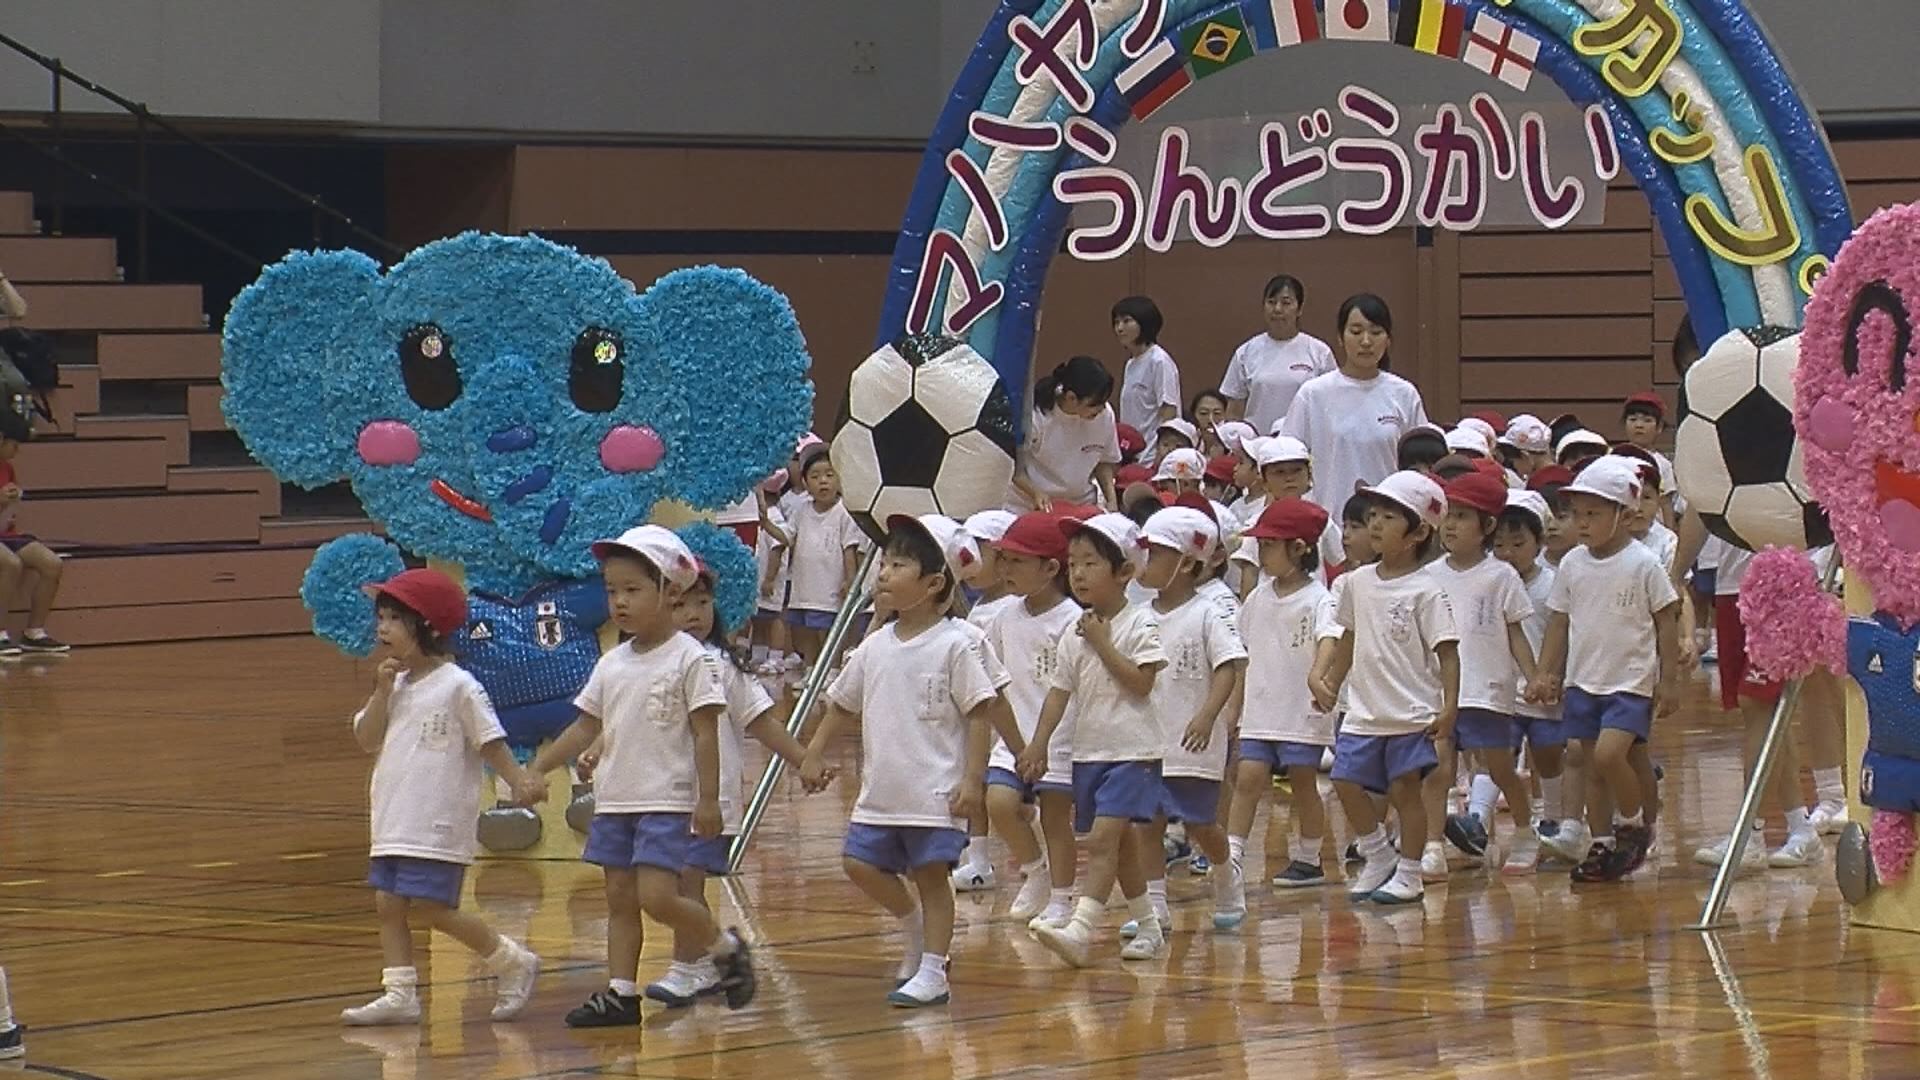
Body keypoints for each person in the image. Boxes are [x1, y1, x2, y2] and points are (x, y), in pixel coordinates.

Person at [532, 526, 757, 1026]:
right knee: (619, 899)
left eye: (632, 589)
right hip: (616, 800)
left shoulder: (691, 659)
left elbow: (705, 734)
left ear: (670, 591)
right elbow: (586, 724)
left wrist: (708, 801)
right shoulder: (612, 664)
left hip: (667, 802)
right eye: (612, 591)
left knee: (658, 897)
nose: (619, 602)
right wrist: (538, 766)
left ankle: (724, 948)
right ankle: (620, 993)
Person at [798, 514, 1017, 1007]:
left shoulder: (956, 644)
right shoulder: (874, 645)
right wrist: (812, 753)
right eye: (883, 562)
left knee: (932, 877)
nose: (882, 573)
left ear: (934, 582)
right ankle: (912, 925)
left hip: (934, 790)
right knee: (858, 863)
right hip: (881, 790)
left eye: (898, 564)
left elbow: (981, 712)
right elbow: (840, 703)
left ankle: (935, 971)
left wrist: (973, 779)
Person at [342, 569, 544, 1026]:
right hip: (394, 816)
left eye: (395, 619)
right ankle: (400, 992)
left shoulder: (459, 685)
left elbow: (489, 739)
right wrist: (378, 692)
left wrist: (518, 780)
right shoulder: (393, 685)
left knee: (434, 908)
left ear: (429, 626)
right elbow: (366, 738)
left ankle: (511, 960)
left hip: (436, 819)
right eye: (382, 618)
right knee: (388, 904)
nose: (382, 628)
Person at [640, 559, 816, 1006]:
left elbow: (761, 722)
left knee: (688, 881)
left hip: (707, 800)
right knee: (675, 885)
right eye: (681, 604)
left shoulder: (721, 666)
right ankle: (714, 954)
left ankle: (688, 967)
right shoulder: (643, 664)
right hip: (658, 795)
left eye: (703, 602)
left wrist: (802, 759)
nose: (694, 613)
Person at [1018, 513, 1168, 966]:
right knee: (1117, 850)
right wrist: (1038, 744)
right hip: (1090, 753)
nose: (1077, 573)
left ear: (1124, 572)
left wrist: (1103, 643)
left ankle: (1081, 930)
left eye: (1090, 563)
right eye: (1072, 563)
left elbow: (1141, 684)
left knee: (1103, 840)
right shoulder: (1073, 631)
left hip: (1133, 752)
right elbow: (1058, 695)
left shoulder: (1142, 624)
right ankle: (1149, 927)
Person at [1529, 456, 1682, 883]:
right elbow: (1558, 622)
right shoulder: (1573, 565)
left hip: (1629, 683)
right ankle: (1601, 842)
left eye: (1593, 513)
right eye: (1577, 514)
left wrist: (1667, 681)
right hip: (1583, 682)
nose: (1582, 522)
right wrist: (1545, 673)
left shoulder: (1643, 563)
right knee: (1602, 766)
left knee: (1610, 754)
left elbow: (1666, 619)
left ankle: (1633, 826)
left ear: (1625, 514)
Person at [1315, 471, 1460, 905]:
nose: (1375, 524)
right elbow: (1349, 638)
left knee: (1404, 792)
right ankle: (1377, 854)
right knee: (1344, 782)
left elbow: (1448, 653)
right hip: (1363, 711)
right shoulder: (1355, 583)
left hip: (1411, 712)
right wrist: (1330, 682)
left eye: (1389, 517)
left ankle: (1411, 872)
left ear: (1417, 533)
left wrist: (1449, 707)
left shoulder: (1427, 591)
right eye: (1372, 515)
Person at [1130, 507, 1246, 933]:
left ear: (1188, 563)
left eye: (1156, 555)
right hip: (1146, 738)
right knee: (1147, 822)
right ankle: (1155, 906)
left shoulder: (1208, 613)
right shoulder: (1138, 616)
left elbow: (1229, 666)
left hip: (1192, 739)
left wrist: (1208, 715)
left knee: (1201, 823)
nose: (1146, 564)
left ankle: (1227, 874)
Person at [1226, 499, 1338, 903]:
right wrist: (1233, 708)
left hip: (1300, 709)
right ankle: (1233, 855)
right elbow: (1241, 652)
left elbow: (1330, 638)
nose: (1261, 554)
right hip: (1261, 705)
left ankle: (1309, 857)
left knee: (1303, 782)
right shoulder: (1257, 598)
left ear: (1299, 548)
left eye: (1270, 545)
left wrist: (1317, 676)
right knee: (1249, 776)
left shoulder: (1319, 599)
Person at [1427, 473, 1538, 878]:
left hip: (1489, 688)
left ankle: (1526, 831)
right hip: (1442, 692)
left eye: (1462, 516)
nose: (1450, 525)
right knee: (1439, 766)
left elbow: (1515, 632)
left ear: (1487, 527)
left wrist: (1533, 676)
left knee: (1499, 767)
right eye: (1447, 516)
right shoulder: (1431, 575)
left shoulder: (1501, 576)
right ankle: (1432, 843)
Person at [981, 512, 1084, 929]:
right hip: (1014, 736)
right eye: (1002, 559)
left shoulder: (1074, 619)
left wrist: (1043, 742)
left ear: (1051, 568)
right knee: (999, 804)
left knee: (1056, 818)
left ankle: (1061, 897)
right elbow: (996, 675)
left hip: (1059, 739)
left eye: (1017, 561)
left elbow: (1074, 688)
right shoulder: (1005, 616)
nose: (1004, 569)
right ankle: (1035, 871)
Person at [1494, 490, 1581, 863]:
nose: (1509, 552)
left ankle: (1553, 817)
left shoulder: (1553, 584)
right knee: (1497, 753)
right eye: (1499, 544)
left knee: (1546, 753)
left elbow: (1563, 632)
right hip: (1503, 689)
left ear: (1539, 542)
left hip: (1546, 691)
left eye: (1519, 543)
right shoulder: (1493, 582)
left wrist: (1553, 675)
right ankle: (1481, 819)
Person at [1280, 294, 1428, 512]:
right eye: (1356, 332)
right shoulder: (1314, 394)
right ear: (1340, 337)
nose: (1366, 341)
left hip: (1391, 524)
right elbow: (1287, 458)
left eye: (1376, 332)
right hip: (1330, 521)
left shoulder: (1404, 394)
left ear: (1388, 340)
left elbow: (1420, 464)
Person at [784, 444, 867, 675]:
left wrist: (850, 580)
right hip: (805, 584)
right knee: (807, 629)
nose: (823, 481)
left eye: (830, 475)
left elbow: (849, 549)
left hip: (830, 586)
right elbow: (787, 537)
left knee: (829, 629)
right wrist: (766, 522)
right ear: (805, 482)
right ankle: (811, 670)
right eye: (815, 476)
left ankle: (831, 671)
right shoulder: (801, 511)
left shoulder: (844, 512)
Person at [1222, 274, 1338, 434]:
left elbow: (1332, 406)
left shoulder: (1319, 352)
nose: (1277, 309)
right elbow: (1234, 411)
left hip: (1304, 447)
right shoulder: (1246, 352)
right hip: (1256, 448)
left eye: (1286, 303)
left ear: (1299, 309)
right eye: (1271, 302)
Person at [1014, 355, 1121, 511]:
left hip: (1080, 503)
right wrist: (1035, 493)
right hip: (1029, 504)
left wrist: (1111, 501)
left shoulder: (1105, 416)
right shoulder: (1035, 415)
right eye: (1095, 404)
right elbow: (1015, 469)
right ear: (1071, 398)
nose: (1101, 409)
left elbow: (1103, 461)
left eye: (1104, 403)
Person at [0, 409, 65, 654]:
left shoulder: (7, 468)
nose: (17, 450)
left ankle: (34, 632)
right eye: (14, 444)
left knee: (52, 563)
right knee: (10, 564)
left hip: (6, 532)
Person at [1113, 296, 1180, 434]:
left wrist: (1162, 451)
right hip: (1132, 451)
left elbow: (1169, 410)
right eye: (1116, 322)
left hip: (1152, 452)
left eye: (1126, 321)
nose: (1119, 328)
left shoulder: (1159, 361)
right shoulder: (1130, 364)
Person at [1189, 389, 1231, 458]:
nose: (1210, 419)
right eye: (1203, 413)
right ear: (1194, 415)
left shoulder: (1234, 449)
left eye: (1217, 413)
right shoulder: (1187, 446)